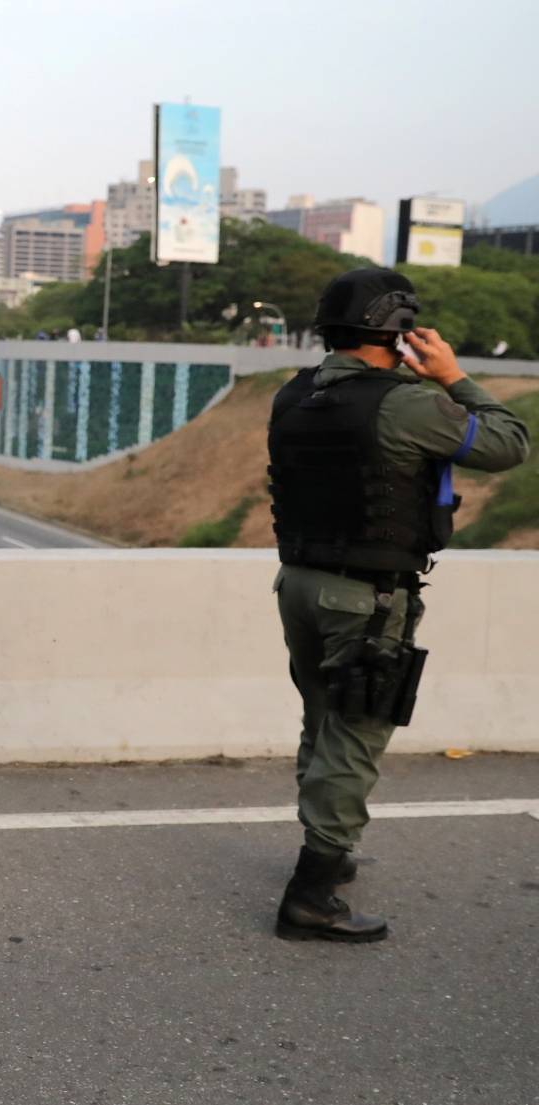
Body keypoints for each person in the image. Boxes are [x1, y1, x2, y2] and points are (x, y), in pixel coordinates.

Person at [266, 267, 529, 942]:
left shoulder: (292, 395)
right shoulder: (406, 402)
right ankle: (312, 892)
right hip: (367, 596)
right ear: (399, 329)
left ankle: (328, 848)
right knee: (355, 735)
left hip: (298, 584)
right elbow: (507, 443)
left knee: (323, 720)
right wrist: (452, 375)